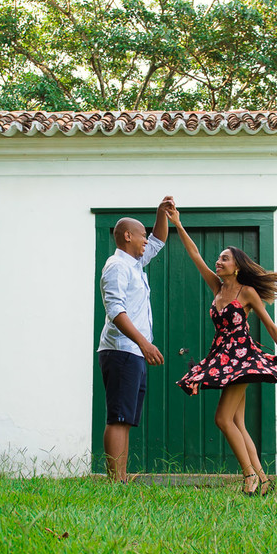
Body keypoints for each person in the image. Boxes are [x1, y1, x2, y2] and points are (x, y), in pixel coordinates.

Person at [169, 206, 277, 497]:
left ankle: (248, 475)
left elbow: (271, 327)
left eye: (224, 258)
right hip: (222, 358)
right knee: (237, 421)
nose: (218, 261)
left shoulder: (247, 293)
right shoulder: (217, 288)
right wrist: (177, 223)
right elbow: (195, 256)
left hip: (243, 359)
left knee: (223, 419)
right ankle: (263, 480)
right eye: (219, 258)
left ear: (237, 265)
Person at [97, 197, 174, 482]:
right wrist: (144, 342)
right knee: (118, 416)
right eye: (142, 234)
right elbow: (116, 310)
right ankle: (115, 481)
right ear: (127, 236)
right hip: (122, 350)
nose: (146, 240)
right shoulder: (117, 267)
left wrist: (160, 213)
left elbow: (159, 240)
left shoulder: (135, 264)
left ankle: (121, 477)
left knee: (126, 417)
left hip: (133, 351)